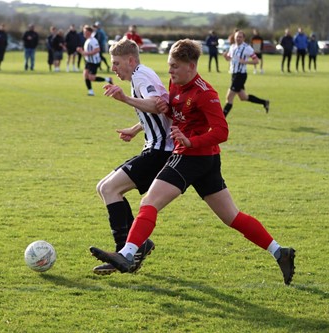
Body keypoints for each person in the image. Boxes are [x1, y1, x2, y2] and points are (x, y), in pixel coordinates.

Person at [90, 39, 296, 286]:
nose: (170, 71)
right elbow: (173, 113)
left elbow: (222, 132)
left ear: (191, 65)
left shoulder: (205, 93)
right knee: (231, 216)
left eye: (174, 66)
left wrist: (191, 141)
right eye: (169, 66)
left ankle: (126, 254)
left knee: (150, 201)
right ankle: (279, 252)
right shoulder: (176, 84)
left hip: (192, 157)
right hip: (204, 160)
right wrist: (150, 120)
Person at [92, 38, 174, 275]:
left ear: (130, 60)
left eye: (116, 63)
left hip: (160, 152)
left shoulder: (140, 76)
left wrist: (125, 99)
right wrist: (136, 128)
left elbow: (156, 105)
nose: (113, 68)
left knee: (109, 189)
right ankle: (138, 245)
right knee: (103, 187)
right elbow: (160, 108)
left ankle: (124, 252)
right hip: (155, 149)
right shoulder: (140, 74)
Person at [222, 31, 270, 117]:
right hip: (234, 74)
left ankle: (221, 119)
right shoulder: (232, 47)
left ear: (244, 38)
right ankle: (264, 102)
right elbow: (229, 59)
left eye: (240, 37)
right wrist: (226, 57)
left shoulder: (247, 48)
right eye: (237, 36)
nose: (238, 38)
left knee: (229, 98)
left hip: (240, 75)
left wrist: (245, 61)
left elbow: (256, 61)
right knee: (243, 97)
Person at [76, 25, 113, 96]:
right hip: (88, 61)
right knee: (85, 75)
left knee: (91, 78)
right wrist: (81, 51)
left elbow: (97, 50)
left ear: (89, 32)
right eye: (84, 32)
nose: (84, 33)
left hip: (94, 62)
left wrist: (86, 53)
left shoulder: (93, 40)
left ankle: (108, 79)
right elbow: (86, 52)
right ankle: (90, 92)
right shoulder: (87, 40)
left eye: (85, 32)